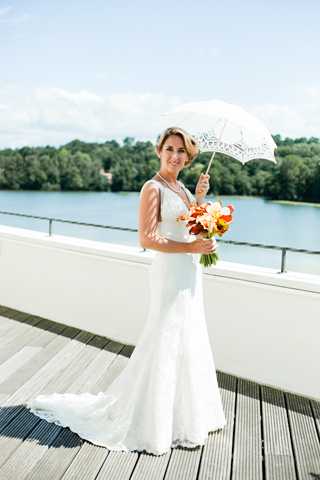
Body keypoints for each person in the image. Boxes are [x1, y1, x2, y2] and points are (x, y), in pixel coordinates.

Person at [26, 126, 227, 456]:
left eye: (181, 152)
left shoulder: (184, 189)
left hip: (189, 276)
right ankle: (154, 424)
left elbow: (190, 227)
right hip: (169, 273)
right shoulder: (153, 188)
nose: (175, 156)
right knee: (164, 337)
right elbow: (148, 239)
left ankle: (186, 416)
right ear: (159, 151)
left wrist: (202, 200)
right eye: (169, 149)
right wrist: (191, 249)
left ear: (189, 158)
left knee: (188, 336)